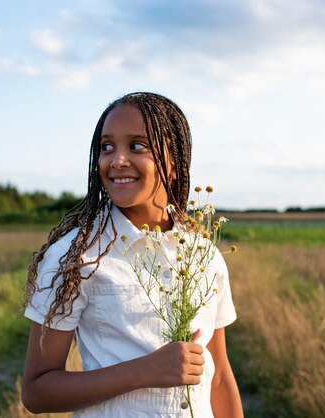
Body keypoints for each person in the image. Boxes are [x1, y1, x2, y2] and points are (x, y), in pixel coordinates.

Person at [21, 92, 243, 417]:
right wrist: (144, 371)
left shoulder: (204, 256)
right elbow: (36, 391)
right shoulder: (75, 257)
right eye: (107, 147)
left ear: (173, 163)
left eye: (137, 146)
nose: (117, 160)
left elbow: (219, 376)